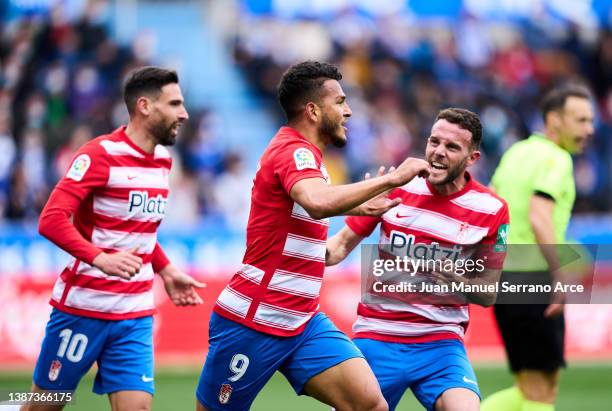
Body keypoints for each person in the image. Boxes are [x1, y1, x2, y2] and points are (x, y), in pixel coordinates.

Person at [195, 61, 431, 411]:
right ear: (313, 110)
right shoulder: (294, 151)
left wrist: (359, 207)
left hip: (303, 321)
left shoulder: (305, 158)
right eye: (340, 101)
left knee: (370, 404)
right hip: (256, 319)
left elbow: (304, 214)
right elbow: (317, 202)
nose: (348, 111)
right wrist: (392, 179)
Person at [23, 67, 205, 411]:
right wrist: (100, 258)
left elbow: (140, 231)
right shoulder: (99, 155)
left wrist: (165, 271)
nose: (185, 113)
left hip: (134, 314)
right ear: (145, 106)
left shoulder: (164, 160)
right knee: (44, 406)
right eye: (175, 103)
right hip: (82, 310)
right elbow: (51, 219)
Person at [326, 108, 510, 411]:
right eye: (434, 141)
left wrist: (457, 279)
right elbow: (339, 248)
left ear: (472, 158)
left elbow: (488, 293)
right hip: (377, 336)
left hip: (441, 344)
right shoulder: (396, 186)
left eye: (452, 147)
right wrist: (293, 249)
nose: (438, 152)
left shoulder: (491, 209)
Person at [481, 84, 595, 411]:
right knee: (541, 393)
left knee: (533, 388)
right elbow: (539, 216)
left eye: (590, 121)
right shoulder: (556, 159)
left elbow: (491, 200)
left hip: (505, 276)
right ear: (554, 120)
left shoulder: (517, 152)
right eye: (580, 120)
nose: (588, 129)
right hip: (533, 277)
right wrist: (558, 276)